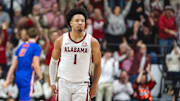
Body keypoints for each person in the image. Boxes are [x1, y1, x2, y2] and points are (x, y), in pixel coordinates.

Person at [49, 8, 102, 101]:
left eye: (82, 21)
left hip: (82, 84)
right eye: (77, 20)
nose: (80, 23)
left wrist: (94, 86)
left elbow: (97, 65)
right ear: (71, 23)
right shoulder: (61, 40)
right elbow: (53, 62)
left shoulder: (93, 41)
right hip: (63, 83)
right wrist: (52, 82)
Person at [3, 27, 43, 101]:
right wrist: (40, 76)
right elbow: (35, 64)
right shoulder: (36, 47)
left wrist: (7, 80)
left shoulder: (21, 46)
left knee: (22, 98)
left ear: (27, 36)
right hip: (28, 76)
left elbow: (13, 65)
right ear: (37, 36)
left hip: (18, 76)